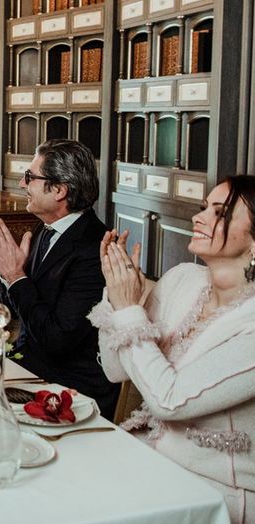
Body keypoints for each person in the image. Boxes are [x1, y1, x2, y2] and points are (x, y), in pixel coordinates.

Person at [89, 175, 255, 523]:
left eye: (219, 212)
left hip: (214, 493)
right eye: (202, 207)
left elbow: (170, 401)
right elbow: (116, 370)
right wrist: (116, 292)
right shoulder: (183, 279)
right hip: (144, 458)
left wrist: (129, 309)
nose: (199, 217)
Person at [0, 139, 119, 418]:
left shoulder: (95, 250)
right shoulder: (46, 228)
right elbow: (21, 308)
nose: (22, 184)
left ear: (58, 190)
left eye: (30, 177)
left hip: (69, 387)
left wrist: (17, 277)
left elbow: (57, 339)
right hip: (30, 364)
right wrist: (10, 278)